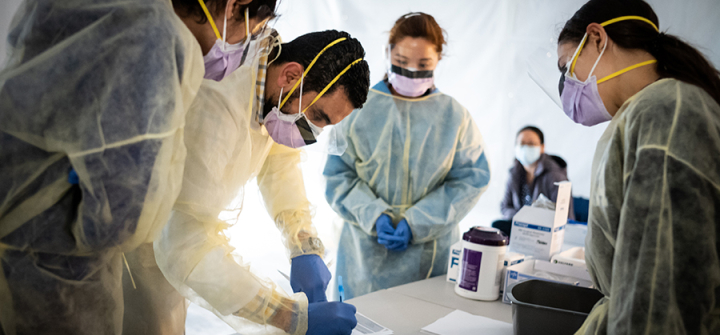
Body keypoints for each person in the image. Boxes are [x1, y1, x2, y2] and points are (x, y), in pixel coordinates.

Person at [0, 0, 271, 333]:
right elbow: (120, 217)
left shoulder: (109, 8)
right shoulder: (158, 36)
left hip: (16, 235)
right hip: (58, 271)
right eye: (251, 33)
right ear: (234, 7)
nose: (242, 50)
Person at [145, 30, 369, 335]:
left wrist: (303, 243)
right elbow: (183, 241)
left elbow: (279, 163)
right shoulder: (220, 103)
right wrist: (289, 317)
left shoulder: (272, 90)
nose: (314, 133)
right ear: (291, 76)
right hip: (136, 245)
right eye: (317, 116)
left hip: (175, 246)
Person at [554, 0, 720, 333]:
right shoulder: (647, 112)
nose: (566, 86)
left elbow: (659, 292)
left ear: (597, 39)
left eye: (566, 67)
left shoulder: (668, 112)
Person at [324, 12, 490, 300]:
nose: (412, 72)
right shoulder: (355, 111)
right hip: (364, 258)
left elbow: (469, 180)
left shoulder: (455, 117)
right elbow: (338, 176)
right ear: (388, 53)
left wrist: (418, 222)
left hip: (429, 258)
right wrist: (374, 215)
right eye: (402, 63)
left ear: (439, 58)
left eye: (423, 64)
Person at [500, 126, 574, 220]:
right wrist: (521, 217)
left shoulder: (555, 176)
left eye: (531, 144)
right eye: (522, 144)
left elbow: (565, 217)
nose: (526, 147)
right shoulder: (514, 173)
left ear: (542, 147)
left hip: (545, 231)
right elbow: (505, 206)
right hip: (519, 228)